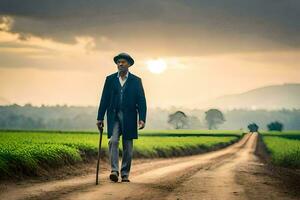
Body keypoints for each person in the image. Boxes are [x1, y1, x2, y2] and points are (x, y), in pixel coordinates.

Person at [96, 52, 147, 182]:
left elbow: (141, 100)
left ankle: (125, 174)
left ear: (128, 64)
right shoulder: (110, 79)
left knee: (128, 146)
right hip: (114, 116)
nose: (120, 64)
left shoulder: (136, 81)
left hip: (129, 117)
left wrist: (142, 118)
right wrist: (100, 117)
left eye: (123, 62)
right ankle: (114, 171)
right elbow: (104, 99)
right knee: (113, 141)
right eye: (118, 62)